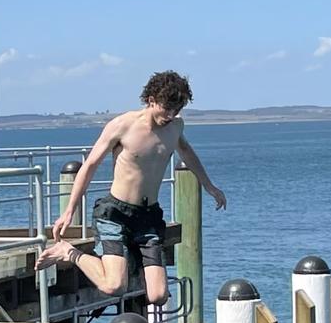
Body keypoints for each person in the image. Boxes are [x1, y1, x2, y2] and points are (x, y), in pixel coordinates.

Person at [34, 71, 226, 305]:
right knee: (114, 285)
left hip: (149, 217)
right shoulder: (122, 125)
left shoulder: (175, 127)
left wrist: (209, 185)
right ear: (151, 100)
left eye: (176, 110)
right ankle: (69, 252)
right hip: (115, 215)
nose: (170, 115)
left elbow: (186, 151)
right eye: (166, 108)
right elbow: (90, 165)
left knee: (158, 296)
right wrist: (69, 210)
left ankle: (128, 259)